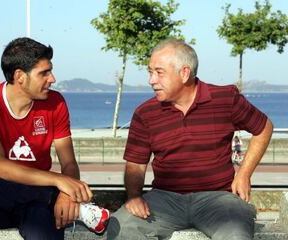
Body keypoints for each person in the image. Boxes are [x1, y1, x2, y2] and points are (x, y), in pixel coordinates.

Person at [107, 39, 273, 240]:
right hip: (164, 199)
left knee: (236, 234)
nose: (151, 80)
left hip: (219, 199)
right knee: (121, 227)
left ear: (184, 73)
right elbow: (135, 164)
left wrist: (244, 174)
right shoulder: (145, 112)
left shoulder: (225, 99)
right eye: (150, 72)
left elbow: (264, 127)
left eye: (159, 72)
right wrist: (134, 196)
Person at [0, 37, 109, 240]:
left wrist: (66, 193)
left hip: (35, 206)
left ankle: (52, 199)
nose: (52, 78)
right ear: (20, 76)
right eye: (44, 73)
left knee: (42, 226)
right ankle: (61, 202)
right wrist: (59, 185)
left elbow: (69, 162)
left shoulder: (55, 102)